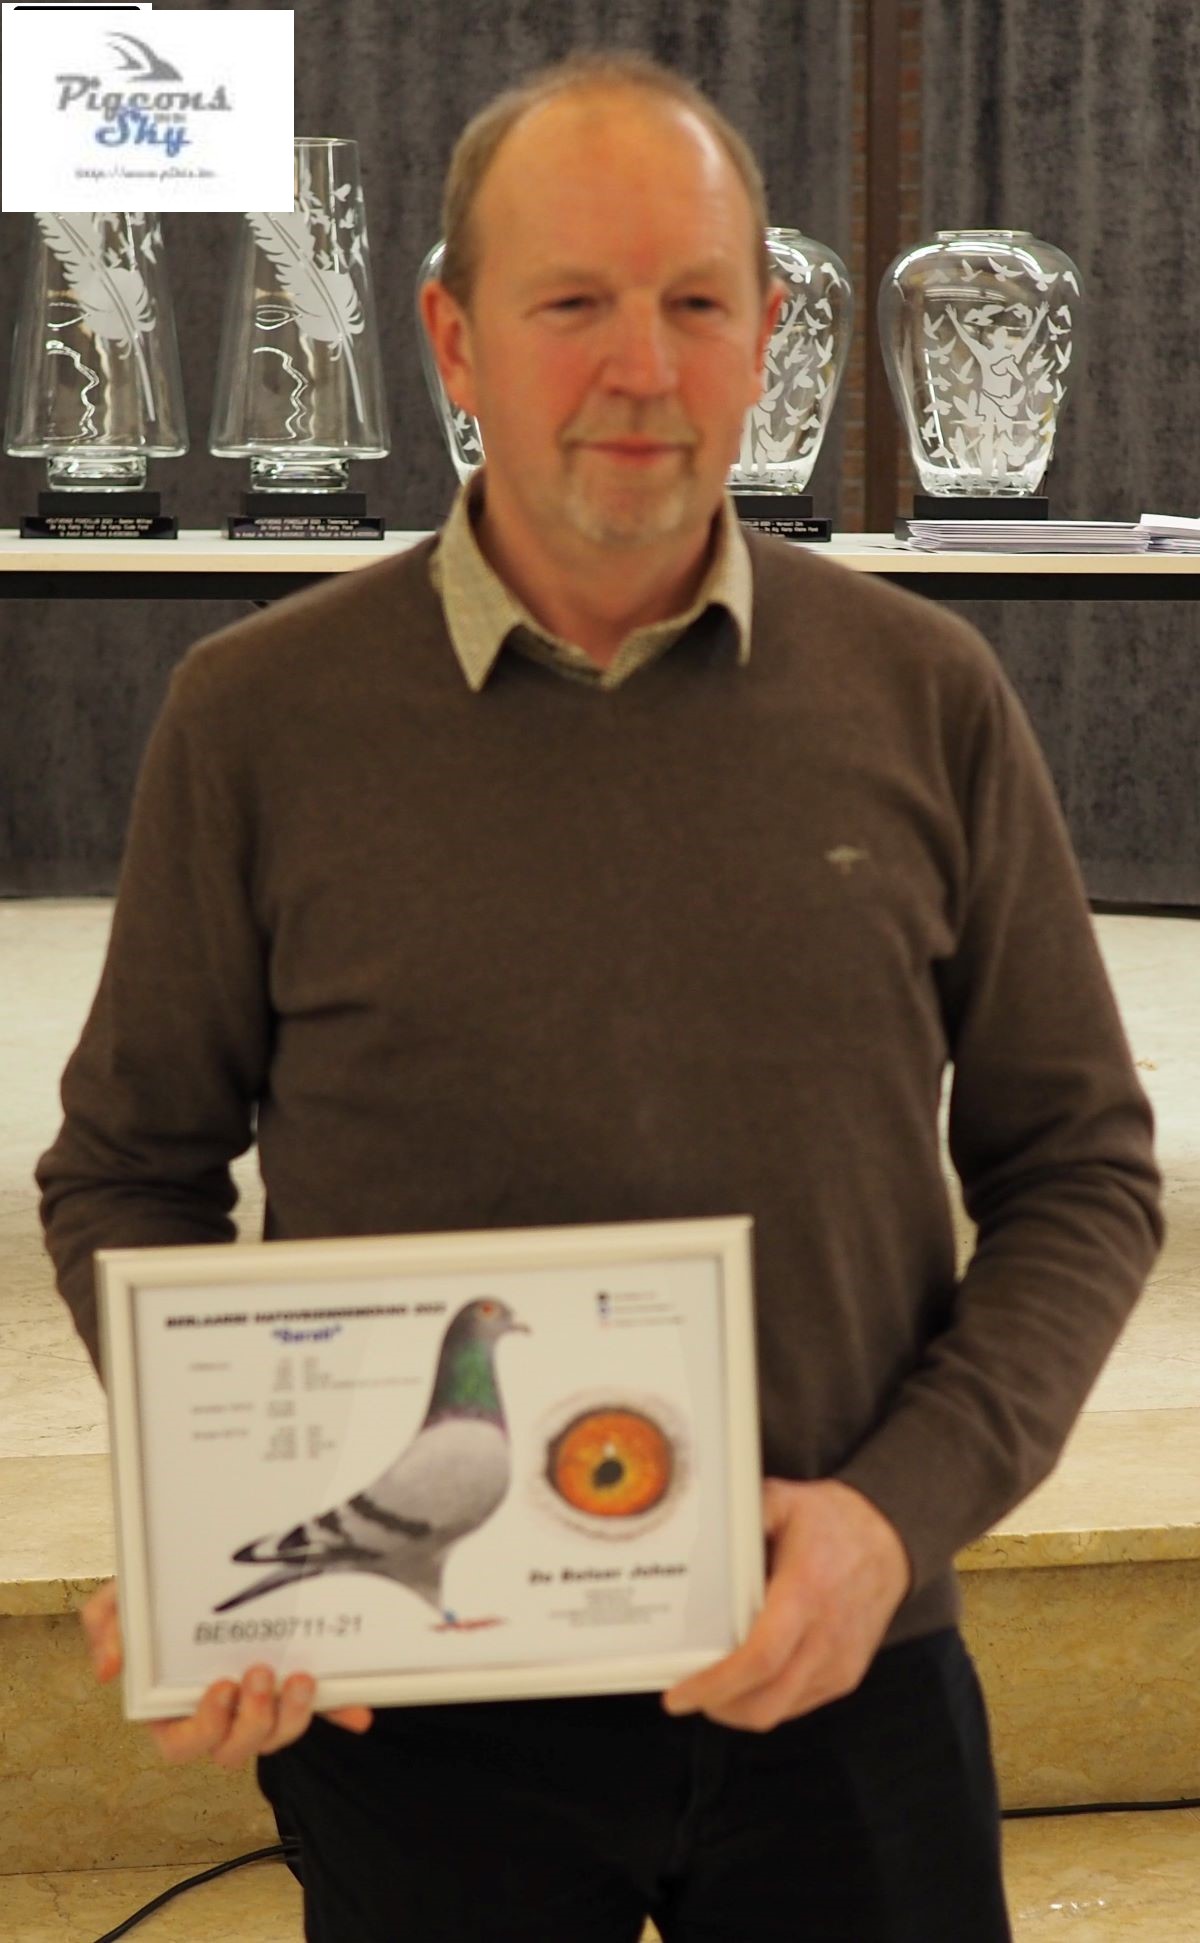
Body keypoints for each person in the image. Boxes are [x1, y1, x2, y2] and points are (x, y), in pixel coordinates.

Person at [37, 49, 1162, 1943]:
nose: (642, 367)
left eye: (696, 303)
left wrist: (896, 1516)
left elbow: (1084, 1170)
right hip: (422, 1711)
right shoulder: (258, 720)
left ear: (767, 336)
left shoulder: (927, 694)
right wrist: (220, 1516)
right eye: (571, 303)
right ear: (452, 342)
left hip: (846, 1664)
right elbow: (125, 1172)